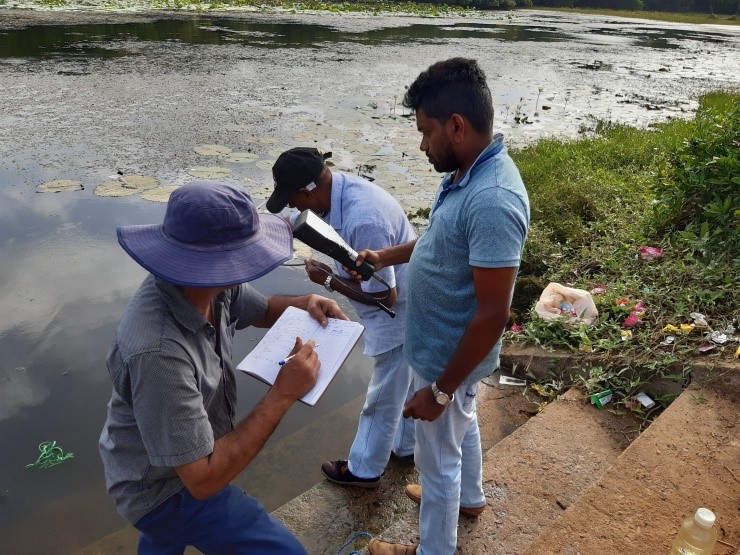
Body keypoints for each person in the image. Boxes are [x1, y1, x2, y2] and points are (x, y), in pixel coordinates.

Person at [98, 180, 347, 554]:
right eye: (242, 258)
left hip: (172, 455)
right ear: (213, 264)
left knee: (163, 541)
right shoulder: (159, 352)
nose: (247, 268)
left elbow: (261, 310)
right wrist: (282, 393)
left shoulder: (209, 285)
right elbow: (201, 480)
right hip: (162, 488)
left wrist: (305, 301)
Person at [355, 58, 531, 555]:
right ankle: (469, 500)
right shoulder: (465, 174)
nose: (422, 144)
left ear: (456, 126)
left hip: (446, 362)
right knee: (460, 433)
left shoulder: (492, 198)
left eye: (427, 131)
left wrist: (440, 391)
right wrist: (383, 256)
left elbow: (494, 314)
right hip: (445, 355)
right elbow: (439, 241)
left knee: (437, 464)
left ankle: (435, 547)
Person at [265, 146, 417, 488]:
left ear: (309, 189)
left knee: (384, 393)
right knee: (406, 384)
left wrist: (329, 281)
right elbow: (295, 223)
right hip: (408, 300)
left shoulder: (363, 220)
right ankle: (407, 448)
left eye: (293, 198)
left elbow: (385, 295)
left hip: (402, 309)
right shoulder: (336, 190)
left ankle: (364, 471)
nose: (292, 205)